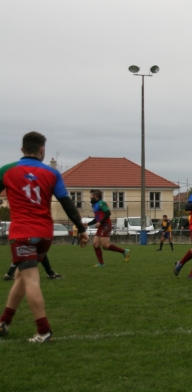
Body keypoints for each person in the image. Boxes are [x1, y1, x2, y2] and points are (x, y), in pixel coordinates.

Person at [0, 131, 89, 343]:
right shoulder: (52, 173)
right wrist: (81, 229)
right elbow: (67, 203)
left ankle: (44, 331)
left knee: (29, 278)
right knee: (22, 277)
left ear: (22, 150)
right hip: (45, 234)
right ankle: (4, 323)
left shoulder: (7, 170)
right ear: (42, 150)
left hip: (22, 233)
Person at [87, 189, 130, 267]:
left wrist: (100, 222)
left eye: (91, 195)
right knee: (95, 244)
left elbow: (108, 213)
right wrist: (88, 224)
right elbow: (97, 218)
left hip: (105, 225)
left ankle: (124, 251)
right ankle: (101, 263)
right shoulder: (95, 205)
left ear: (95, 196)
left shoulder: (101, 203)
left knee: (105, 246)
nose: (90, 197)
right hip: (101, 225)